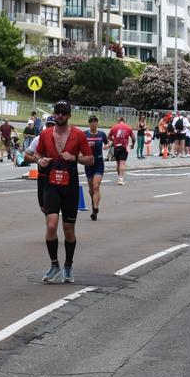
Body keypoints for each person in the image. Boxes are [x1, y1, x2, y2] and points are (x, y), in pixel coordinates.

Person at [25, 101, 93, 283]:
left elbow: (90, 159)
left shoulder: (78, 134)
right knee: (51, 225)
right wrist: (40, 161)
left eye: (64, 112)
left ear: (69, 115)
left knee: (69, 230)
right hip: (51, 184)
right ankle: (54, 264)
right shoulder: (46, 134)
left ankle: (68, 265)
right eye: (57, 112)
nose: (60, 115)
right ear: (54, 114)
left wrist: (76, 158)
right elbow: (36, 154)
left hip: (70, 186)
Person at [83, 115, 108, 221]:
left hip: (98, 163)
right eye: (91, 122)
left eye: (95, 121)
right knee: (91, 189)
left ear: (97, 123)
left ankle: (96, 208)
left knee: (96, 186)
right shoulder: (84, 134)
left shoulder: (102, 134)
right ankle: (94, 207)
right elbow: (79, 145)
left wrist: (107, 146)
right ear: (89, 123)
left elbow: (108, 143)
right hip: (88, 164)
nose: (93, 123)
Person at [108, 115, 134, 187]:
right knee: (122, 163)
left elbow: (109, 136)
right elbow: (133, 138)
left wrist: (114, 141)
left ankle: (119, 177)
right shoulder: (128, 127)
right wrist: (133, 144)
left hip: (116, 147)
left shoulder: (114, 127)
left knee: (118, 163)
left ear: (118, 121)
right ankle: (121, 178)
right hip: (124, 147)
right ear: (124, 121)